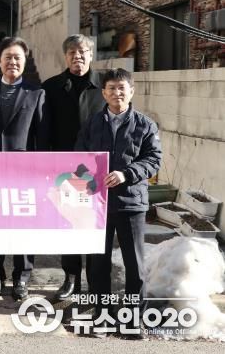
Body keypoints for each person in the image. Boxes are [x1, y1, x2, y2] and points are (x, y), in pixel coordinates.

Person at [75, 68, 161, 338]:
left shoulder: (145, 125)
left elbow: (153, 159)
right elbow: (80, 155)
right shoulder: (92, 123)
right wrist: (87, 175)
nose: (116, 93)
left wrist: (127, 173)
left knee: (134, 266)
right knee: (98, 266)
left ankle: (132, 320)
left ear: (131, 91)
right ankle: (102, 317)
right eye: (111, 88)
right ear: (103, 93)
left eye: (122, 88)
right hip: (98, 204)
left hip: (131, 203)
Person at [0, 36, 49, 301]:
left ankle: (22, 278)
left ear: (25, 61)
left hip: (24, 174)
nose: (12, 62)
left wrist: (40, 172)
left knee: (24, 227)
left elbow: (42, 136)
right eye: (8, 57)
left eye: (18, 57)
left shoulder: (36, 93)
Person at [42, 34, 106, 300]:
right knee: (68, 221)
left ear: (91, 55)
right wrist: (45, 162)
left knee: (93, 222)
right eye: (72, 52)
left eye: (82, 51)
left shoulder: (105, 85)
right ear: (65, 56)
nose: (77, 56)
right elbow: (44, 128)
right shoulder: (51, 87)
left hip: (98, 168)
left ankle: (94, 280)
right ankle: (71, 278)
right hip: (64, 168)